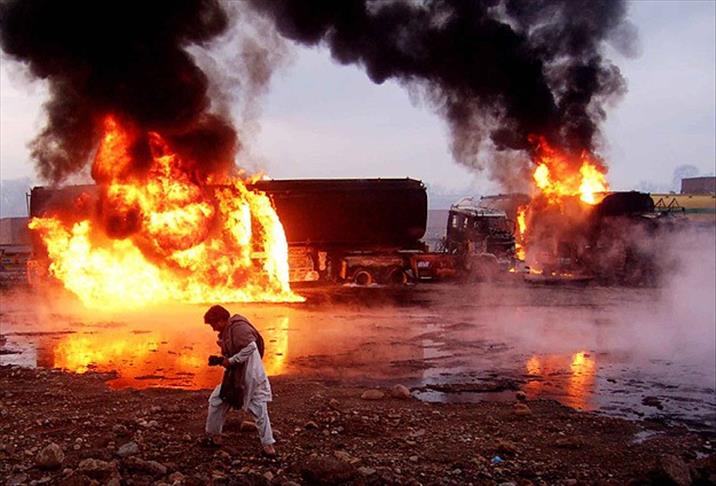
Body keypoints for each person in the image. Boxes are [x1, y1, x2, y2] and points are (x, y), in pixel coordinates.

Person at [203, 304, 276, 456]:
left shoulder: (238, 327)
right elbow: (236, 351)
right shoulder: (229, 330)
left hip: (250, 375)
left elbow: (251, 347)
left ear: (221, 320)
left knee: (259, 409)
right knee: (217, 400)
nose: (213, 329)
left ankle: (269, 447)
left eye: (214, 324)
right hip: (238, 375)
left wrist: (231, 361)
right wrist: (220, 360)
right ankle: (214, 436)